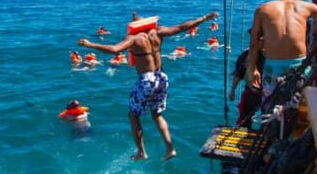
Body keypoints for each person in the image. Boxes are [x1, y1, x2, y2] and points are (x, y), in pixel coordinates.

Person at [79, 11, 218, 161]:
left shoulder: (134, 38)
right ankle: (170, 149)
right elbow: (182, 27)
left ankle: (141, 152)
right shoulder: (158, 32)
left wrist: (90, 44)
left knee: (133, 116)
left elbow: (115, 49)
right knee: (156, 114)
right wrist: (205, 18)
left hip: (147, 79)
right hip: (162, 77)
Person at [249, 0, 317, 107]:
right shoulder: (308, 7)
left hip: (272, 66)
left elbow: (254, 42)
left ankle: (269, 126)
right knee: (298, 104)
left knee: (269, 105)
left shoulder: (262, 9)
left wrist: (253, 69)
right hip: (299, 65)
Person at [230, 33, 264, 128]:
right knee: (245, 118)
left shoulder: (272, 55)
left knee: (268, 119)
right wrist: (232, 91)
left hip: (268, 93)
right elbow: (238, 74)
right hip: (252, 92)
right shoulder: (246, 55)